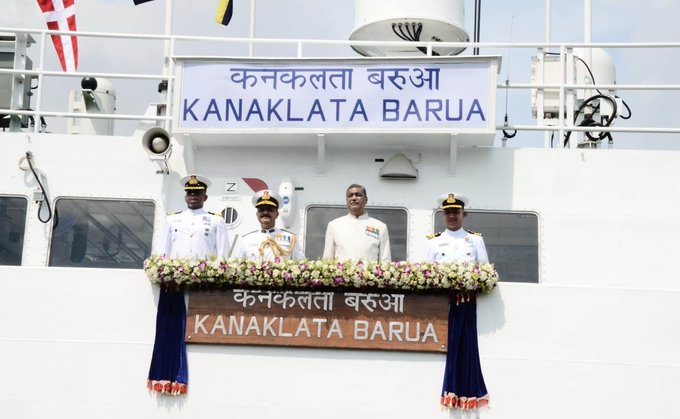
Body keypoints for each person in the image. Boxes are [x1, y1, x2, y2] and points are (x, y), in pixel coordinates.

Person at [157, 174, 230, 259]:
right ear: (185, 198)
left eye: (197, 193)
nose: (192, 195)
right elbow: (164, 250)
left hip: (205, 267)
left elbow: (223, 252)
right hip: (176, 267)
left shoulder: (216, 220)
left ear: (205, 197)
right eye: (189, 193)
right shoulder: (171, 219)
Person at [322, 183, 391, 261]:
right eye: (350, 195)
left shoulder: (380, 227)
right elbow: (327, 259)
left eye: (358, 195)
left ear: (366, 200)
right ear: (346, 200)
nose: (354, 198)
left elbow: (385, 260)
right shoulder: (334, 225)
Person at [233, 189, 303, 261]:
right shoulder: (246, 240)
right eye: (261, 210)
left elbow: (301, 263)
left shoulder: (290, 238)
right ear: (257, 215)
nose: (265, 212)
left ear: (277, 214)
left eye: (270, 209)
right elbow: (237, 264)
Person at [424, 193, 488, 264]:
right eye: (448, 213)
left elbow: (485, 267)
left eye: (456, 212)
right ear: (444, 215)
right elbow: (427, 269)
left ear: (463, 214)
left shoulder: (476, 240)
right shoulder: (433, 242)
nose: (451, 216)